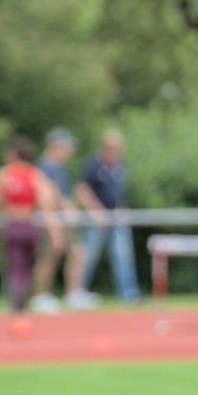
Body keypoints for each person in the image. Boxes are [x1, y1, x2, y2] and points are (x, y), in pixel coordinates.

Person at [0, 135, 63, 312]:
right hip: (29, 227)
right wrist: (55, 234)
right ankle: (22, 302)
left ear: (13, 153)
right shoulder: (35, 175)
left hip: (12, 226)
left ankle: (16, 304)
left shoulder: (1, 175)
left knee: (15, 268)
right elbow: (46, 207)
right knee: (26, 267)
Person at [30, 128, 98, 313]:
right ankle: (40, 296)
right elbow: (50, 194)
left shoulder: (59, 168)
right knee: (47, 257)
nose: (69, 151)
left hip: (62, 219)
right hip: (50, 219)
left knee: (76, 252)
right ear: (57, 146)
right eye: (67, 147)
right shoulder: (44, 167)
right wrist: (65, 208)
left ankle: (73, 293)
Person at [73, 128, 141, 304]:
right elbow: (82, 190)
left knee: (123, 256)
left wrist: (124, 212)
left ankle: (128, 294)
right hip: (96, 221)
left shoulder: (119, 166)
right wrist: (96, 212)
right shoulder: (93, 165)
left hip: (116, 219)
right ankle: (78, 293)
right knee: (87, 257)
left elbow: (119, 194)